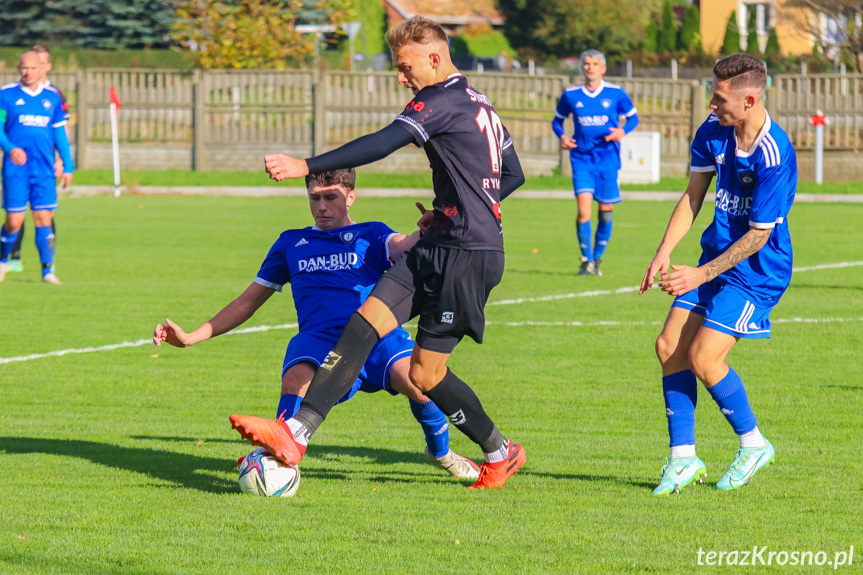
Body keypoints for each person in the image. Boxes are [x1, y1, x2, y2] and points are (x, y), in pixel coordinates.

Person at [230, 15, 527, 489]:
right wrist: (448, 209)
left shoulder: (442, 98)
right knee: (363, 323)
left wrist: (305, 164)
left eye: (406, 66)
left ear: (435, 58)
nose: (400, 76)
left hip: (468, 254)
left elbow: (384, 142)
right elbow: (512, 175)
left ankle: (499, 451)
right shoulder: (478, 103)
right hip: (441, 242)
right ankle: (296, 435)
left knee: (428, 375)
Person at [153, 168, 480, 481]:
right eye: (314, 198)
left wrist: (425, 232)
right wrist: (191, 337)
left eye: (331, 198)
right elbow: (247, 302)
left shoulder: (370, 233)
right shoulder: (290, 243)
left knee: (420, 382)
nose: (321, 207)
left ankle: (441, 454)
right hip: (319, 339)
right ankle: (277, 460)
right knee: (296, 378)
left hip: (376, 335)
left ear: (351, 197)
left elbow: (401, 246)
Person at [639, 54, 796, 495]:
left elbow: (758, 237)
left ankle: (753, 444)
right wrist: (663, 252)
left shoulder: (775, 153)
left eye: (720, 97)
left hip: (757, 272)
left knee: (705, 358)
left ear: (749, 100)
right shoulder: (713, 132)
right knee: (669, 346)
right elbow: (693, 197)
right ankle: (683, 459)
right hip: (715, 260)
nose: (711, 104)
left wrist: (699, 273)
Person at [552, 49, 639, 276]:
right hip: (582, 159)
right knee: (583, 211)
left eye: (595, 63)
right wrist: (562, 137)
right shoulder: (571, 94)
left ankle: (597, 258)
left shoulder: (616, 93)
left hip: (608, 160)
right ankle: (586, 260)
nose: (590, 67)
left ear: (603, 68)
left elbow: (634, 117)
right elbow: (557, 121)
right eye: (587, 63)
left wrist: (622, 131)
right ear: (582, 67)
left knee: (606, 209)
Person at [0, 51, 73, 284]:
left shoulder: (52, 98)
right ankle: (3, 261)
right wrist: (10, 148)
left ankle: (47, 270)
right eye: (23, 68)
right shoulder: (6, 94)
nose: (27, 72)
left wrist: (68, 165)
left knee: (44, 217)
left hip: (43, 169)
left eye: (32, 68)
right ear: (18, 68)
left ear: (42, 69)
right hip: (16, 169)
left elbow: (59, 133)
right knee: (14, 221)